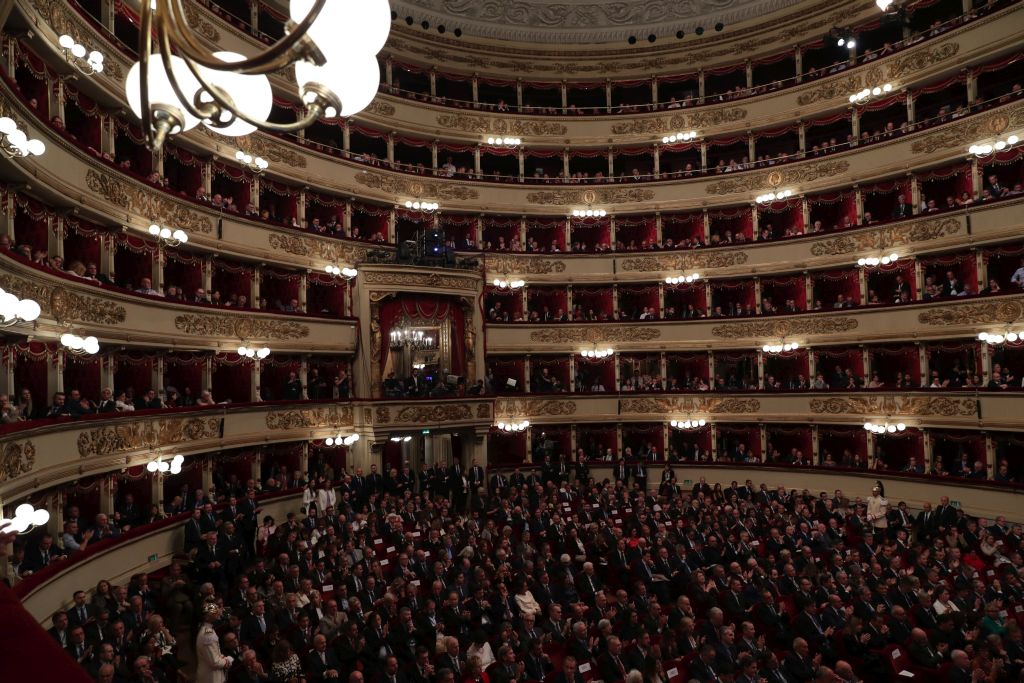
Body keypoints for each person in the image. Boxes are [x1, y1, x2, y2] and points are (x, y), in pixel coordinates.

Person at [196, 603, 233, 683]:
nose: (219, 613)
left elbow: (214, 653)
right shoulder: (208, 634)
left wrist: (222, 657)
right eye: (215, 612)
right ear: (209, 616)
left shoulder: (208, 630)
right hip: (211, 677)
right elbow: (214, 662)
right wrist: (227, 661)